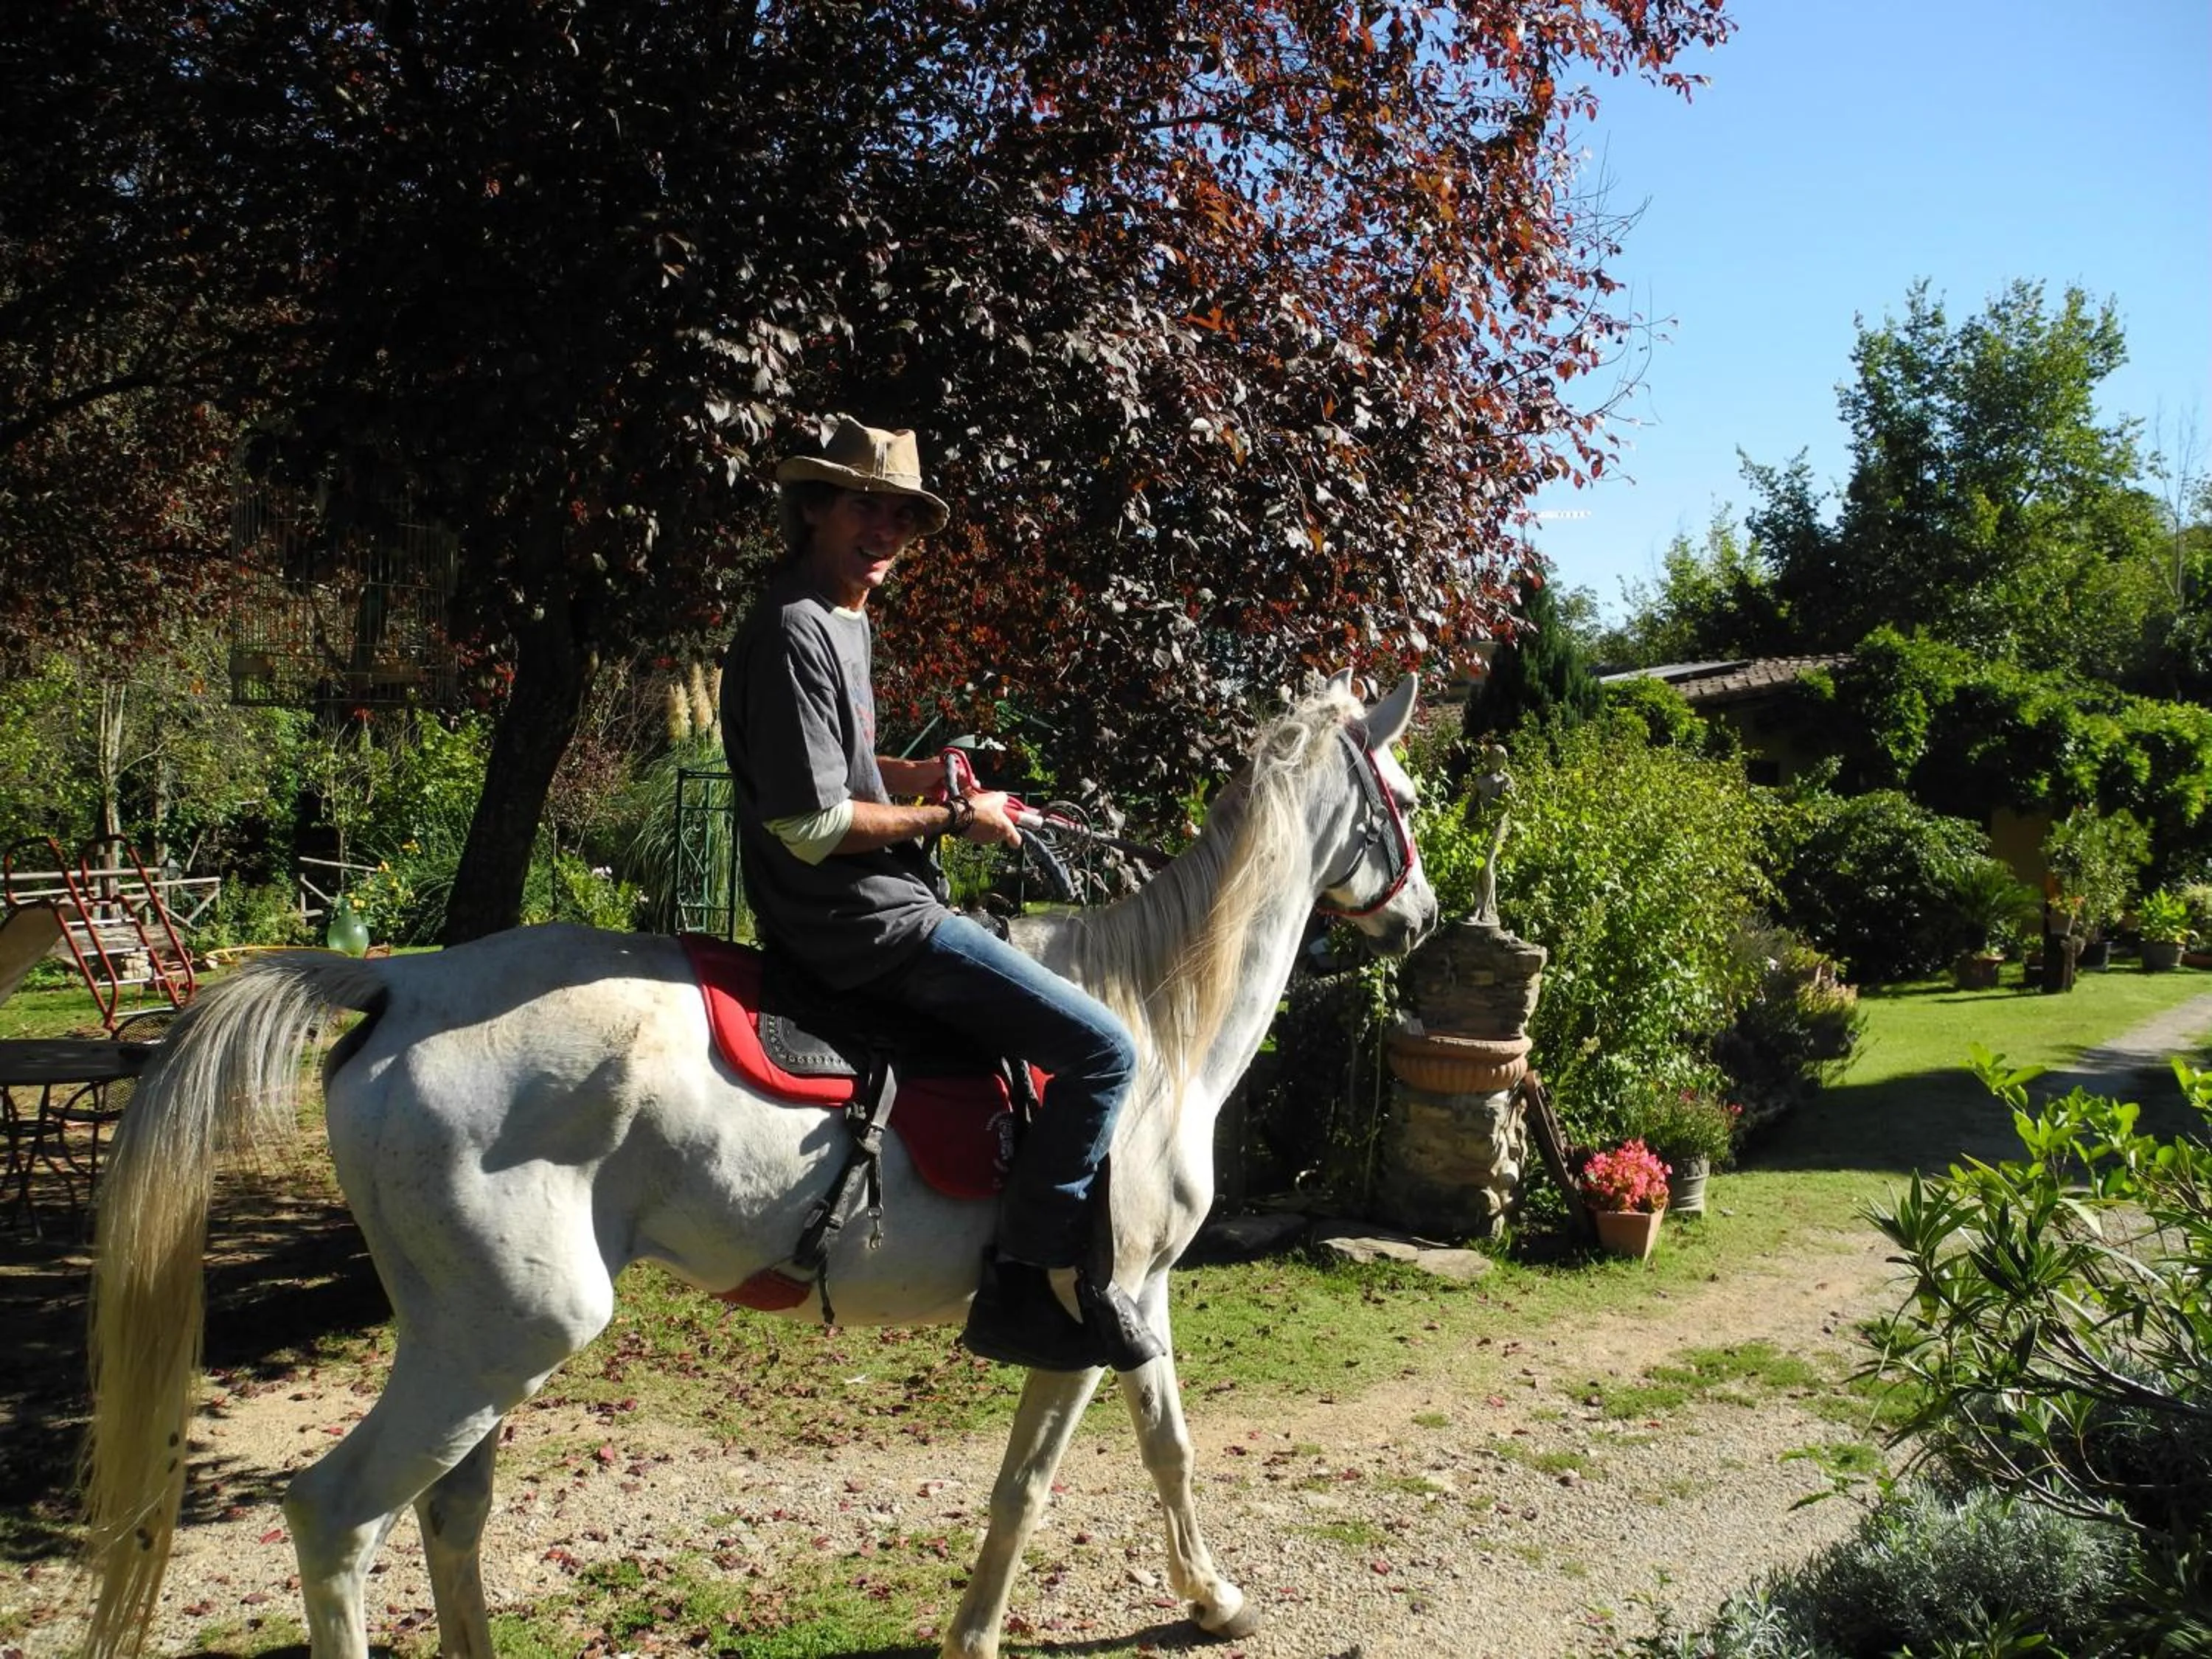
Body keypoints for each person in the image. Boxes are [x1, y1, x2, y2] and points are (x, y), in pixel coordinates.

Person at [720, 415, 1160, 1374]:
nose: (886, 533)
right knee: (1102, 1050)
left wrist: (920, 776)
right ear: (814, 507)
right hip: (866, 925)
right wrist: (958, 821)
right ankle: (1021, 1279)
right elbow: (811, 822)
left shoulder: (839, 615)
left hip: (876, 905)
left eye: (903, 518)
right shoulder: (796, 626)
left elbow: (835, 767)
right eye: (865, 507)